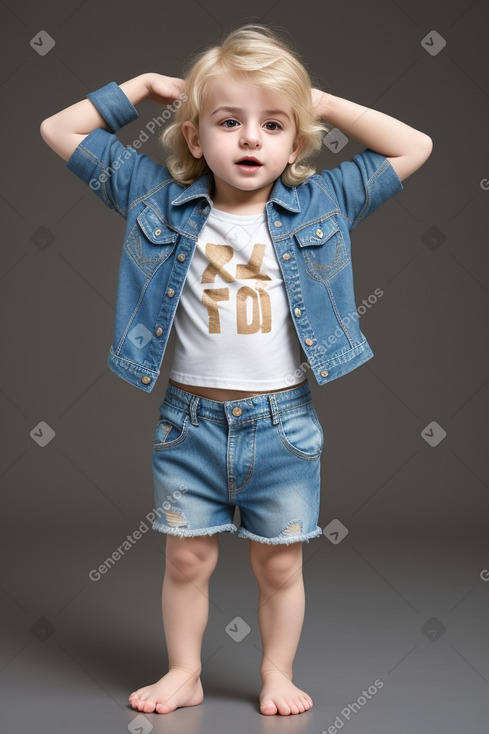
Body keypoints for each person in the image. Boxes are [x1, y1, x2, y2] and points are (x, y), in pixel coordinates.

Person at [40, 23, 432, 717]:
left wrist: (321, 102)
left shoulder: (325, 203)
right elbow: (59, 130)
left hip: (283, 426)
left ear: (295, 140)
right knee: (185, 560)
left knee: (279, 563)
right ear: (194, 137)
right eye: (228, 121)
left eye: (273, 124)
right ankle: (184, 670)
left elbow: (413, 146)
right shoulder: (151, 195)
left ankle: (276, 673)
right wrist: (142, 88)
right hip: (187, 422)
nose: (250, 139)